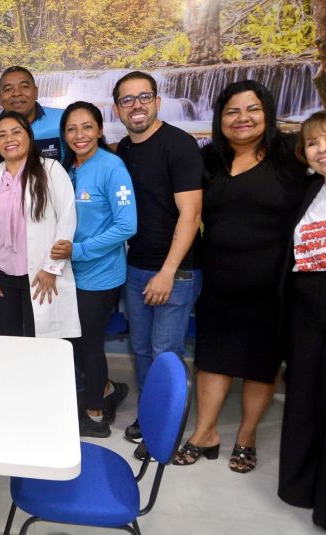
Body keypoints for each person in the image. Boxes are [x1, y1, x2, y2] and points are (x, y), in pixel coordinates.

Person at [173, 81, 309, 473]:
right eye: (232, 111)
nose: (242, 118)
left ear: (267, 113)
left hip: (275, 285)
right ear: (220, 118)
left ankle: (246, 436)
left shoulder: (290, 153)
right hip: (219, 282)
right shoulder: (209, 159)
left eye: (252, 109)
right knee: (211, 360)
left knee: (260, 364)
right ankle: (205, 433)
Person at [113, 71, 203, 458]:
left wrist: (167, 272)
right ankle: (151, 415)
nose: (137, 105)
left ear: (157, 101)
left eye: (143, 97)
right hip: (137, 266)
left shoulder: (179, 145)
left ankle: (164, 430)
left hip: (176, 270)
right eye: (128, 100)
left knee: (165, 351)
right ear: (117, 108)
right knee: (142, 349)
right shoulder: (124, 150)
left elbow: (191, 212)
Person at [50, 101, 137, 437]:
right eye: (71, 129)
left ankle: (96, 414)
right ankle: (104, 389)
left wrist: (80, 250)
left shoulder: (111, 167)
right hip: (69, 273)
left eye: (87, 127)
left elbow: (127, 225)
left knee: (88, 342)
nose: (79, 134)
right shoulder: (66, 167)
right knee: (71, 340)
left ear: (100, 130)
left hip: (99, 275)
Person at [0, 111, 79, 339]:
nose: (9, 139)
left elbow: (67, 220)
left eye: (16, 132)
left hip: (41, 276)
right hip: (1, 278)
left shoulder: (51, 170)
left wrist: (51, 268)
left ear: (29, 136)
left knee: (41, 344)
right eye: (1, 135)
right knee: (6, 344)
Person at [278, 110, 326, 529]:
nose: (321, 149)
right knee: (305, 395)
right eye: (313, 143)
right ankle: (300, 486)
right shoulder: (312, 190)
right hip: (307, 304)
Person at [0, 66, 64, 166]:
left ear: (36, 92)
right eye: (8, 89)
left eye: (24, 86)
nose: (16, 93)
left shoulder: (64, 120)